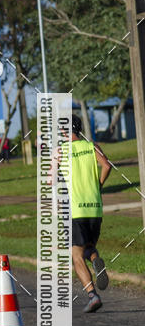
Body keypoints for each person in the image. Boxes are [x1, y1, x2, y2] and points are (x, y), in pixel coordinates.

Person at [66, 114, 112, 313]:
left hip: (76, 210)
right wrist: (98, 185)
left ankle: (92, 295)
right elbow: (107, 165)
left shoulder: (61, 151)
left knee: (76, 256)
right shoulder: (92, 146)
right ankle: (95, 260)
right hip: (95, 207)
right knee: (88, 247)